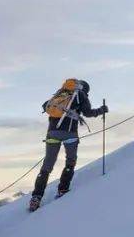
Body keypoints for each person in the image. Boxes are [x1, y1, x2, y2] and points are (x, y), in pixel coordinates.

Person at [29, 79, 106, 212]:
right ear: (85, 90)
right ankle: (63, 189)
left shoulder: (60, 93)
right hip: (70, 134)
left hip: (52, 133)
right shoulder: (80, 95)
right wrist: (102, 110)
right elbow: (88, 113)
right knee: (70, 161)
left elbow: (45, 106)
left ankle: (36, 197)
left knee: (47, 166)